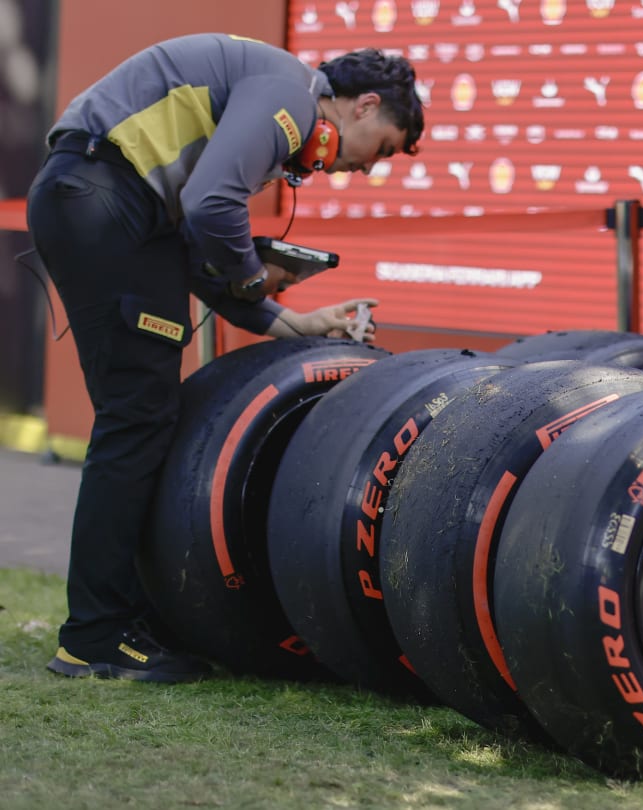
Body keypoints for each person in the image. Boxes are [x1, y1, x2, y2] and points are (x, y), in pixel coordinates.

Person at [25, 33, 425, 682]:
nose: (365, 169)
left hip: (108, 202)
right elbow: (211, 205)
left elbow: (192, 236)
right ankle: (95, 638)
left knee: (142, 421)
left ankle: (117, 620)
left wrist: (288, 320)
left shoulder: (276, 97)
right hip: (103, 197)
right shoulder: (291, 97)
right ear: (362, 104)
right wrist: (247, 274)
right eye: (378, 149)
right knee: (137, 418)